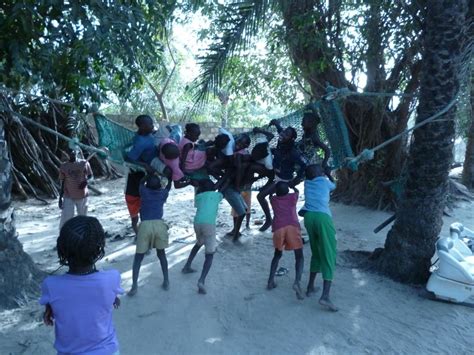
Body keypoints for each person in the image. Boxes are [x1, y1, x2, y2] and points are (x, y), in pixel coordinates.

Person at [40, 216, 123, 355]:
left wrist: (50, 308)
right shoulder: (112, 278)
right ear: (99, 247)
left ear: (61, 247)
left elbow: (55, 307)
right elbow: (110, 298)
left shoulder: (50, 285)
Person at [299, 164, 338, 311]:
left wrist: (323, 172)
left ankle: (310, 287)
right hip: (322, 218)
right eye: (321, 171)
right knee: (329, 253)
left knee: (316, 253)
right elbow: (334, 186)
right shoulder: (324, 181)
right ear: (320, 174)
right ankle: (325, 296)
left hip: (309, 218)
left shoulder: (307, 183)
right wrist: (329, 174)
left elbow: (314, 173)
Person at [256, 120, 306, 232]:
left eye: (287, 134)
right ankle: (275, 220)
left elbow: (304, 165)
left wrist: (297, 179)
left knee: (261, 196)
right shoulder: (282, 140)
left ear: (291, 139)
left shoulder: (293, 152)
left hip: (283, 180)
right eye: (284, 132)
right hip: (275, 175)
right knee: (271, 198)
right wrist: (275, 123)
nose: (283, 134)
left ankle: (270, 221)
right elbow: (280, 130)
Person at [128, 174, 172, 296]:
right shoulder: (162, 193)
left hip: (145, 226)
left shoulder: (143, 191)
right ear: (159, 186)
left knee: (138, 257)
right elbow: (169, 186)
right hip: (159, 224)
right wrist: (169, 176)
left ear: (147, 185)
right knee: (161, 254)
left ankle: (134, 286)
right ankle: (166, 281)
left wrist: (147, 174)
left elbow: (141, 182)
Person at [181, 179, 223, 294]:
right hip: (209, 225)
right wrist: (226, 179)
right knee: (210, 254)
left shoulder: (198, 197)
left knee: (199, 243)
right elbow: (222, 189)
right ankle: (201, 281)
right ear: (213, 188)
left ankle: (187, 266)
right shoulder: (216, 195)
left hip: (197, 223)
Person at [267, 181, 304, 300]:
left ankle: (270, 281)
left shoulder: (273, 200)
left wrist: (274, 188)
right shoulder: (293, 197)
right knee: (299, 256)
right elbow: (297, 191)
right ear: (288, 190)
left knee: (277, 254)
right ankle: (297, 282)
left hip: (278, 228)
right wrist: (292, 185)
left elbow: (270, 194)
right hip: (292, 227)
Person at [124, 115, 157, 235]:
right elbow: (129, 158)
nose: (152, 125)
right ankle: (139, 232)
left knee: (145, 204)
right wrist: (145, 165)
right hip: (139, 174)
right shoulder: (140, 142)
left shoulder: (147, 135)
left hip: (143, 174)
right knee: (138, 205)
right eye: (150, 124)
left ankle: (144, 230)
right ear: (142, 126)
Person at [58, 149, 93, 229]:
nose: (72, 153)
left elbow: (91, 176)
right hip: (68, 196)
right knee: (67, 218)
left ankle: (83, 233)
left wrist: (86, 182)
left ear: (77, 152)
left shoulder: (84, 163)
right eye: (70, 152)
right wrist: (60, 198)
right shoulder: (64, 166)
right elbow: (63, 182)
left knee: (83, 217)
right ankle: (64, 235)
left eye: (74, 151)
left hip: (82, 195)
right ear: (67, 154)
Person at [298, 110, 332, 180]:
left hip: (304, 161)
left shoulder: (314, 137)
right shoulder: (307, 133)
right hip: (300, 157)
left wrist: (324, 163)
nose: (301, 124)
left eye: (303, 121)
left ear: (311, 123)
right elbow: (316, 119)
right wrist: (313, 108)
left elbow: (327, 150)